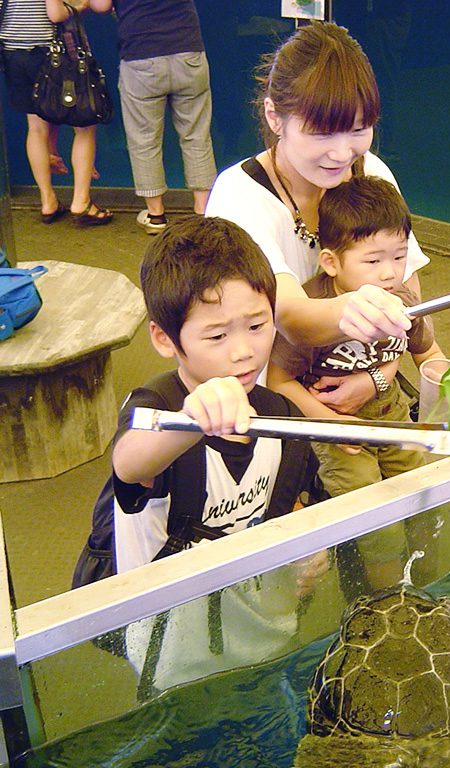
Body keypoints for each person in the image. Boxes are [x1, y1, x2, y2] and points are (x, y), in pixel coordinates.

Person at [82, 215, 325, 692]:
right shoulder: (155, 412)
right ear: (164, 339)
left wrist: (310, 555)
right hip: (175, 671)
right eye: (216, 336)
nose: (244, 352)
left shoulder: (280, 415)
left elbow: (302, 505)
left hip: (270, 646)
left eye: (258, 325)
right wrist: (192, 419)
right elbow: (129, 465)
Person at [205, 21, 420, 416]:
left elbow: (407, 293)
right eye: (321, 133)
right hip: (262, 403)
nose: (342, 153)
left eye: (359, 129)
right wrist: (351, 311)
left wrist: (378, 378)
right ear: (274, 116)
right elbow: (291, 319)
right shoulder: (239, 194)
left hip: (364, 382)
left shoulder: (370, 171)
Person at [268, 176, 445, 588]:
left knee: (423, 499)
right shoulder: (315, 312)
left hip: (394, 417)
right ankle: (387, 602)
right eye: (373, 261)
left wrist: (441, 374)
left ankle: (424, 587)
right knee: (376, 524)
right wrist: (332, 424)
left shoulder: (402, 298)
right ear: (332, 262)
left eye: (399, 257)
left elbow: (420, 348)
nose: (389, 274)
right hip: (339, 437)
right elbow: (278, 380)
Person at [87, 0, 217, 233]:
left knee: (144, 140)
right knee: (196, 136)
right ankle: (203, 211)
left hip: (141, 56)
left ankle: (156, 216)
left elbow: (101, 5)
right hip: (188, 51)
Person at [0, 0, 112, 225]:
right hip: (48, 52)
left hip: (12, 51)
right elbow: (56, 14)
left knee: (36, 128)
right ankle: (81, 202)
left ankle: (47, 200)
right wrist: (80, 7)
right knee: (84, 125)